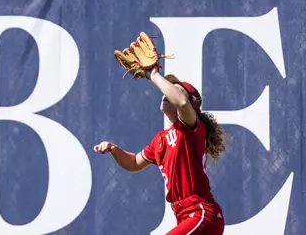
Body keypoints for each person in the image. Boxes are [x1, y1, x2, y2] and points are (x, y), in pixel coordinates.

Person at [94, 65, 228, 234]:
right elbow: (134, 163)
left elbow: (182, 102)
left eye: (174, 89)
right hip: (185, 217)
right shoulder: (160, 140)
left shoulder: (190, 129)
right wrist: (114, 149)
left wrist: (154, 75)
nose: (166, 93)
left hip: (201, 213)